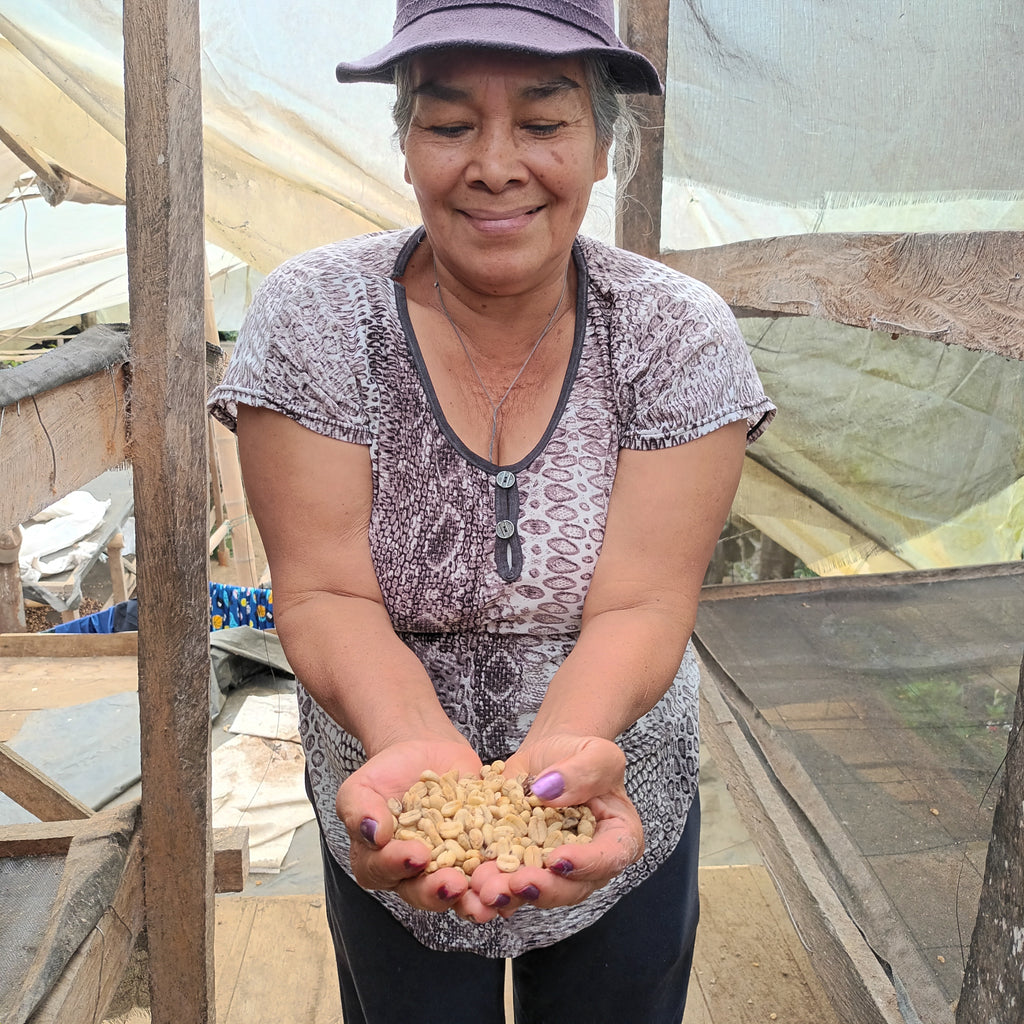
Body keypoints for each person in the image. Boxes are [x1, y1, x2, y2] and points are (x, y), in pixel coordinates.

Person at [208, 2, 775, 1020]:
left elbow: (643, 603)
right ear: (407, 143)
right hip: (394, 804)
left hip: (613, 785)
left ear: (606, 145)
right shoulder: (316, 319)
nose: (496, 165)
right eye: (450, 122)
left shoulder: (673, 334)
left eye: (546, 123)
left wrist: (552, 772)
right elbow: (327, 588)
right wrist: (418, 762)